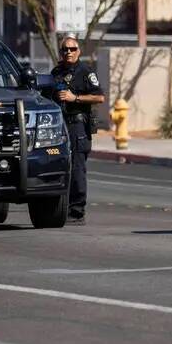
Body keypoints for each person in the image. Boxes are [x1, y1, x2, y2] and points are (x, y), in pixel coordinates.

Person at [50, 36, 105, 224]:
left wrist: (76, 98)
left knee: (77, 168)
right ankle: (60, 208)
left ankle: (77, 211)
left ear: (78, 51)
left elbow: (99, 98)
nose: (69, 52)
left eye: (72, 49)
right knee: (59, 166)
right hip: (59, 125)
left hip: (77, 126)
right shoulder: (56, 72)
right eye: (65, 49)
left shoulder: (85, 71)